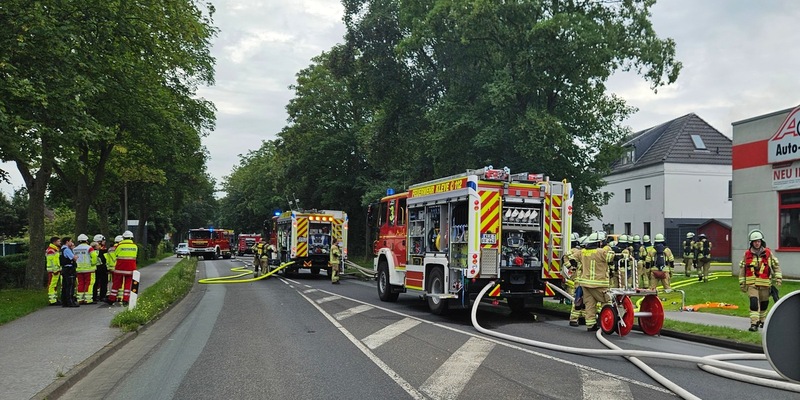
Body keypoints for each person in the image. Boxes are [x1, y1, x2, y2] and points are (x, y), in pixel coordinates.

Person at [739, 230, 782, 332]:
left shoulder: (768, 253)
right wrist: (742, 283)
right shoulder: (746, 254)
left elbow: (776, 266)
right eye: (754, 242)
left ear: (761, 241)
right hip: (752, 284)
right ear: (751, 243)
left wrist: (778, 278)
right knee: (753, 303)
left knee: (764, 303)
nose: (756, 243)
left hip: (765, 284)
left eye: (758, 241)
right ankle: (754, 323)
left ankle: (762, 320)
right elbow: (742, 270)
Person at [573, 232, 610, 332]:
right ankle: (608, 321)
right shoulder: (601, 252)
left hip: (585, 283)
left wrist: (571, 266)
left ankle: (590, 325)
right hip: (599, 283)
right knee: (607, 302)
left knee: (589, 304)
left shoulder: (582, 252)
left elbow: (572, 258)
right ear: (599, 243)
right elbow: (611, 258)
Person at [108, 230, 138, 305]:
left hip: (119, 268)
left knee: (116, 284)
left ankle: (112, 299)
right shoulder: (135, 246)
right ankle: (126, 299)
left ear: (123, 238)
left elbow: (115, 255)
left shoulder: (119, 246)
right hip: (131, 268)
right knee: (128, 284)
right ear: (131, 238)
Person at [565, 234, 585, 326]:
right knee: (579, 299)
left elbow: (566, 260)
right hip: (581, 279)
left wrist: (571, 267)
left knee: (582, 299)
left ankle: (579, 318)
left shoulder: (574, 252)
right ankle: (575, 319)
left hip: (579, 278)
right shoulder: (580, 252)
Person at [74, 234, 97, 304]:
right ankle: (88, 299)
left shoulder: (75, 249)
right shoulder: (89, 248)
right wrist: (93, 263)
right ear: (86, 240)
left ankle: (80, 299)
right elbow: (94, 257)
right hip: (89, 269)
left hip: (78, 269)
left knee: (80, 284)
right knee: (89, 284)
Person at [59, 237, 79, 307]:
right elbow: (74, 258)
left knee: (65, 285)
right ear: (67, 242)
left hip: (64, 269)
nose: (72, 243)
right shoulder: (67, 250)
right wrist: (75, 255)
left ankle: (64, 301)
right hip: (69, 269)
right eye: (71, 241)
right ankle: (70, 302)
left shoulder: (61, 249)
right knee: (70, 285)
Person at [46, 236, 62, 306]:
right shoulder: (51, 250)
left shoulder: (55, 249)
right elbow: (51, 261)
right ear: (54, 242)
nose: (60, 242)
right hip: (53, 271)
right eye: (58, 241)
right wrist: (55, 270)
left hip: (56, 270)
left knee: (54, 285)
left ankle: (54, 299)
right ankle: (52, 300)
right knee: (52, 285)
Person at [92, 234, 109, 303]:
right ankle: (102, 296)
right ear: (99, 242)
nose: (104, 242)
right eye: (103, 241)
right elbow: (104, 259)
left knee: (96, 283)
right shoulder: (102, 250)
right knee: (102, 283)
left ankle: (95, 296)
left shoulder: (92, 249)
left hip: (96, 268)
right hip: (101, 268)